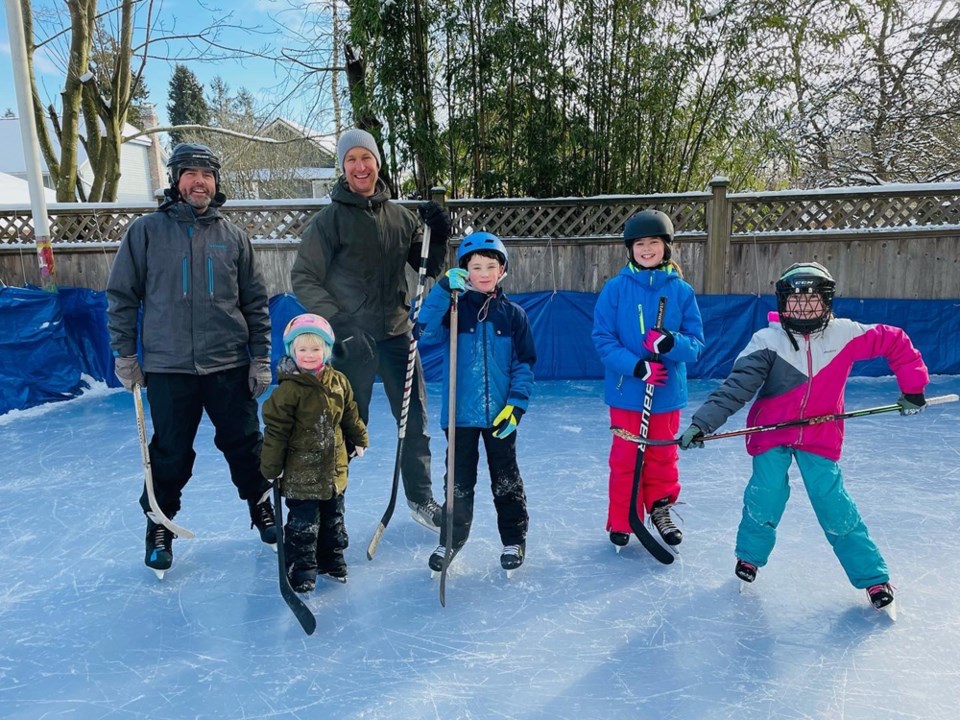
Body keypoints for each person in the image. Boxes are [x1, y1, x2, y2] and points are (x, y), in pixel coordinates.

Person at [679, 262, 928, 611]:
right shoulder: (767, 341)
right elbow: (736, 388)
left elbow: (896, 341)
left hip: (820, 434)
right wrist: (702, 423)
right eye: (795, 299)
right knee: (765, 495)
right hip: (771, 434)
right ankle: (750, 556)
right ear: (783, 303)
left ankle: (873, 578)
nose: (803, 306)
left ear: (826, 301)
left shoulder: (846, 334)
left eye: (811, 298)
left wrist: (913, 387)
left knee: (834, 504)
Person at [107, 142, 277, 577]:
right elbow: (123, 297)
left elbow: (256, 302)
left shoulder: (234, 236)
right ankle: (159, 527)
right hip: (169, 367)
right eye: (190, 173)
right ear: (175, 180)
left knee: (245, 444)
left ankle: (262, 509)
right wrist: (125, 354)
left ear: (216, 182)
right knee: (170, 453)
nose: (199, 181)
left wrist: (260, 358)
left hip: (227, 363)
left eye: (207, 173)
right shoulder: (145, 232)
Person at [291, 127, 450, 531]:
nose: (360, 166)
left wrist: (440, 232)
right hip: (350, 341)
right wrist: (339, 324)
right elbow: (304, 277)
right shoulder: (328, 222)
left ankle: (420, 498)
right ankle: (331, 507)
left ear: (377, 164)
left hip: (398, 334)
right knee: (343, 425)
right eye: (351, 160)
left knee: (414, 422)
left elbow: (429, 266)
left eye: (366, 158)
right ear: (343, 169)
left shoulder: (401, 218)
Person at [416, 232, 537, 572]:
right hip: (459, 415)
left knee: (506, 479)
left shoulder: (513, 315)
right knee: (457, 483)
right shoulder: (452, 311)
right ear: (464, 271)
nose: (483, 273)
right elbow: (422, 331)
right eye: (475, 266)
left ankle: (514, 538)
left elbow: (524, 364)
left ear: (502, 271)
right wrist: (442, 291)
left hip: (501, 414)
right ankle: (451, 540)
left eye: (491, 266)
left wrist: (516, 405)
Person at [592, 209, 705, 551]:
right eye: (639, 243)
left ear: (666, 247)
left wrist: (671, 342)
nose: (646, 249)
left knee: (661, 457)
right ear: (630, 248)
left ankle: (660, 510)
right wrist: (636, 366)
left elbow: (696, 344)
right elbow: (603, 339)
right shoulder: (615, 289)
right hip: (628, 393)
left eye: (653, 243)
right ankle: (623, 517)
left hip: (666, 394)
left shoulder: (681, 291)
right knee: (626, 458)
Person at [260, 314, 369, 591]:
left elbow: (350, 414)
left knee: (333, 518)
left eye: (316, 348)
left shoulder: (339, 382)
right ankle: (302, 567)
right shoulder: (287, 392)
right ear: (292, 352)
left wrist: (359, 438)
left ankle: (331, 558)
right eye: (302, 349)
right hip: (301, 472)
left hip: (334, 470)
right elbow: (276, 432)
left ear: (327, 350)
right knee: (303, 525)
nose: (309, 355)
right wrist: (272, 468)